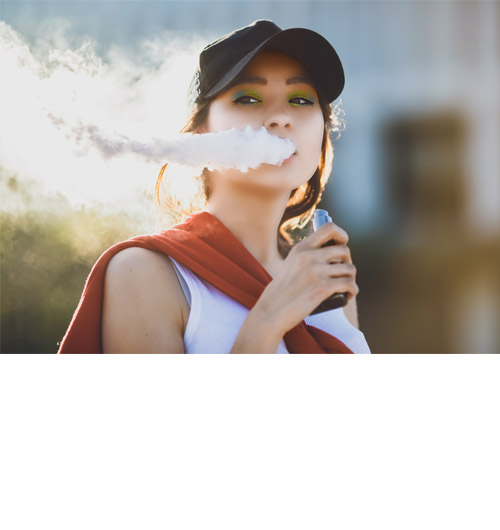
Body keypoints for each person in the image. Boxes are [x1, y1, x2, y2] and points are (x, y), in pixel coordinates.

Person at [58, 19, 371, 354]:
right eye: (248, 99)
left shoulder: (322, 284)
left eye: (301, 99)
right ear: (201, 132)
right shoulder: (146, 273)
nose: (281, 118)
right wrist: (270, 316)